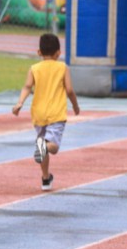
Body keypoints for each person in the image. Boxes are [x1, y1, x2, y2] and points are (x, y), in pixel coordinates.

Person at [12, 34, 81, 191]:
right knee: (53, 147)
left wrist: (19, 103)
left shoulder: (34, 69)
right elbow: (69, 90)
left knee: (43, 148)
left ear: (39, 52)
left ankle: (45, 178)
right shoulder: (63, 67)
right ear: (58, 53)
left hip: (39, 114)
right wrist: (75, 106)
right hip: (56, 113)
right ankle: (43, 146)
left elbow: (27, 87)